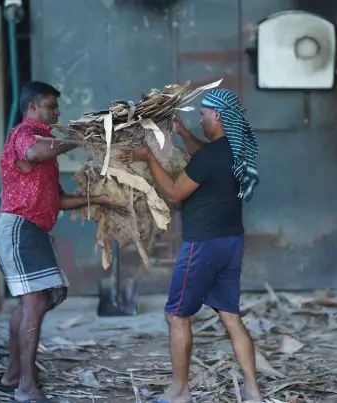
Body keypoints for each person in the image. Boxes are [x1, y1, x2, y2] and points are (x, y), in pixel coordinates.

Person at [120, 88, 261, 403]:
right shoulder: (235, 152)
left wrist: (148, 157)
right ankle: (253, 392)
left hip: (203, 247)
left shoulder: (210, 156)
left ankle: (180, 391)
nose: (200, 120)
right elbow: (203, 158)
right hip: (231, 242)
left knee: (176, 315)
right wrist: (182, 133)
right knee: (230, 317)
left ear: (217, 116)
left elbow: (173, 192)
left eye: (202, 115)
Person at [0, 81, 125, 403]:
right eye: (51, 106)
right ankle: (26, 387)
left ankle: (13, 377)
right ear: (32, 108)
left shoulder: (47, 145)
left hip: (31, 230)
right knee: (34, 305)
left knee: (27, 306)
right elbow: (34, 151)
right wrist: (79, 137)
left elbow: (58, 201)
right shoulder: (26, 134)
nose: (57, 111)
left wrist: (101, 199)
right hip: (19, 228)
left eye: (56, 106)